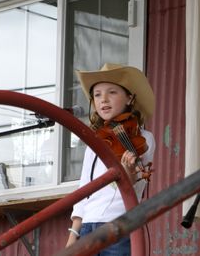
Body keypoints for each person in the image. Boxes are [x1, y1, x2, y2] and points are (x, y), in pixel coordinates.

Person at [65, 63, 156, 255]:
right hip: (88, 226)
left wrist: (129, 173)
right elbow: (84, 188)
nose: (103, 99)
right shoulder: (96, 139)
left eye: (112, 92)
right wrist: (74, 235)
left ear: (130, 97)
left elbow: (133, 187)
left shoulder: (143, 138)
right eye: (97, 94)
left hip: (119, 225)